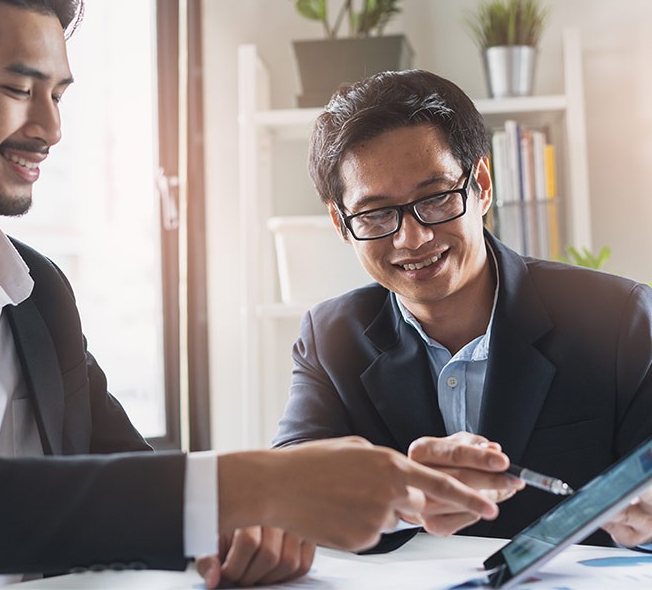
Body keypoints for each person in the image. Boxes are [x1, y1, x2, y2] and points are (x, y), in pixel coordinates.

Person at [0, 0, 502, 587]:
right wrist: (256, 486)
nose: (50, 128)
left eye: (59, 96)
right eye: (21, 87)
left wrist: (283, 518)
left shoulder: (37, 292)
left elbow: (132, 490)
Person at [272, 68, 652, 551]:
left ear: (482, 184)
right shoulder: (331, 338)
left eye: (434, 198)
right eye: (375, 213)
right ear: (341, 222)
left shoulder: (618, 319)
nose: (413, 239)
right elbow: (289, 485)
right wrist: (405, 493)